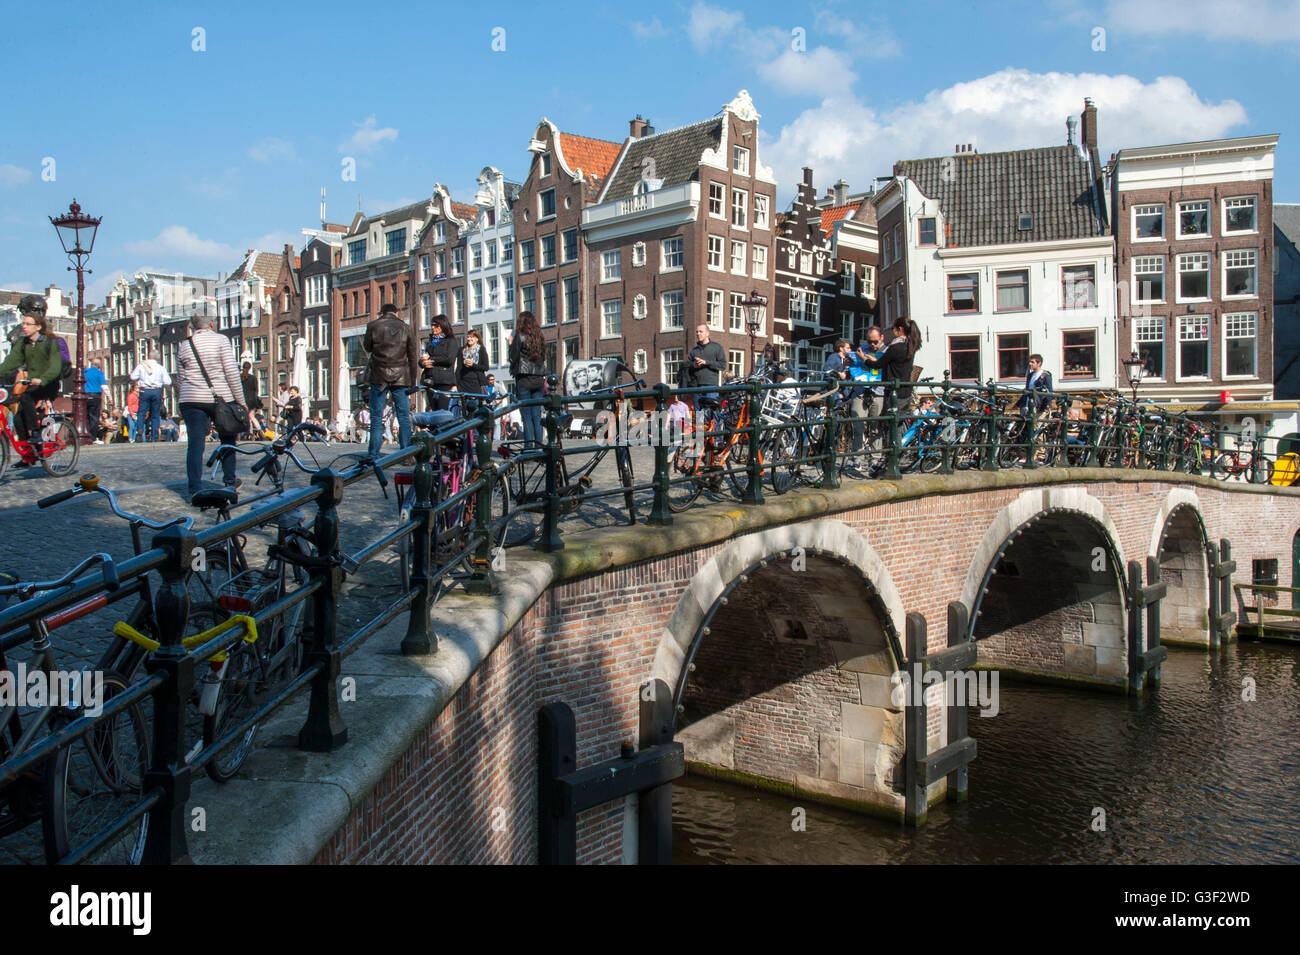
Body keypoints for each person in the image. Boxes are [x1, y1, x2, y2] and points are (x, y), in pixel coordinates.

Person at [176, 314, 245, 498]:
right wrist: (241, 401)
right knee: (228, 438)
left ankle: (195, 489)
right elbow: (231, 372)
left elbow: (180, 378)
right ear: (212, 324)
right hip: (220, 396)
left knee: (195, 445)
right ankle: (229, 481)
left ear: (193, 326)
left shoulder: (185, 345)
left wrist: (182, 400)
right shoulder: (221, 340)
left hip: (190, 398)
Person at [0, 295, 63, 465]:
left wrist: (42, 379)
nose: (24, 327)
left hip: (47, 383)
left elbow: (55, 366)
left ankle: (35, 433)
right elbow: (10, 363)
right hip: (29, 383)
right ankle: (28, 456)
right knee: (19, 416)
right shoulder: (23, 343)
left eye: (27, 324)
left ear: (37, 326)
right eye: (23, 323)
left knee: (27, 398)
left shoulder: (50, 342)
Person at [363, 301, 420, 459]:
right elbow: (412, 356)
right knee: (403, 416)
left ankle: (373, 453)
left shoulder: (372, 326)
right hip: (401, 376)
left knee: (376, 416)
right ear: (396, 313)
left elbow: (367, 347)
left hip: (379, 376)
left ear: (382, 313)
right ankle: (406, 454)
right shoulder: (406, 328)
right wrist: (412, 382)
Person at [508, 310, 547, 447]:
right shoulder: (540, 337)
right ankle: (539, 445)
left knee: (526, 416)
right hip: (538, 379)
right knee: (537, 415)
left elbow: (513, 357)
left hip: (524, 379)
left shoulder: (520, 336)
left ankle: (529, 447)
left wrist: (510, 344)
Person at [683, 322, 725, 437]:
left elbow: (723, 365)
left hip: (711, 386)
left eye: (701, 331)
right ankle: (701, 441)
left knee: (714, 413)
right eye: (697, 332)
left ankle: (715, 439)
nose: (698, 334)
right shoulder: (694, 351)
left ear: (707, 333)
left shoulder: (717, 347)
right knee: (699, 415)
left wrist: (706, 363)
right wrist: (694, 366)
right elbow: (686, 367)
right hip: (697, 387)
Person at [1013, 353, 1054, 460]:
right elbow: (1027, 391)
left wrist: (1046, 405)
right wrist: (1018, 404)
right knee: (1025, 431)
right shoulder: (1030, 376)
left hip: (1039, 407)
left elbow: (1049, 392)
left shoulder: (1045, 376)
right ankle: (1026, 455)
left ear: (1039, 363)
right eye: (1029, 362)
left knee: (1038, 432)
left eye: (1032, 362)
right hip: (1027, 406)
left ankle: (1039, 456)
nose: (1030, 364)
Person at [130, 346, 172, 442]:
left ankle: (140, 430)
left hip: (144, 391)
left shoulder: (141, 366)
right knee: (155, 414)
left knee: (141, 413)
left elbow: (133, 377)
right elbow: (168, 381)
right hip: (156, 391)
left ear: (148, 356)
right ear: (158, 358)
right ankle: (154, 436)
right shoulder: (160, 368)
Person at [419, 315, 458, 411]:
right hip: (429, 380)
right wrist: (422, 363)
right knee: (433, 410)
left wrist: (431, 360)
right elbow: (423, 358)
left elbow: (449, 359)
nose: (432, 327)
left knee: (442, 411)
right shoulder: (430, 342)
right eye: (432, 325)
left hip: (444, 380)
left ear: (443, 326)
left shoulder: (451, 341)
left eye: (436, 325)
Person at [84, 358, 107, 443]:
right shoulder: (99, 373)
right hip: (95, 397)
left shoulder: (85, 372)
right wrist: (110, 398)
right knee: (94, 417)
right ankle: (92, 438)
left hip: (85, 397)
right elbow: (104, 386)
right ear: (99, 365)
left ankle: (85, 435)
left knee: (85, 417)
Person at [240, 362, 263, 434]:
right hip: (252, 400)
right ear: (250, 368)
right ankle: (260, 431)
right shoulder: (253, 378)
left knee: (245, 417)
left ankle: (249, 432)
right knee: (252, 416)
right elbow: (256, 389)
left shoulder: (240, 377)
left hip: (243, 399)